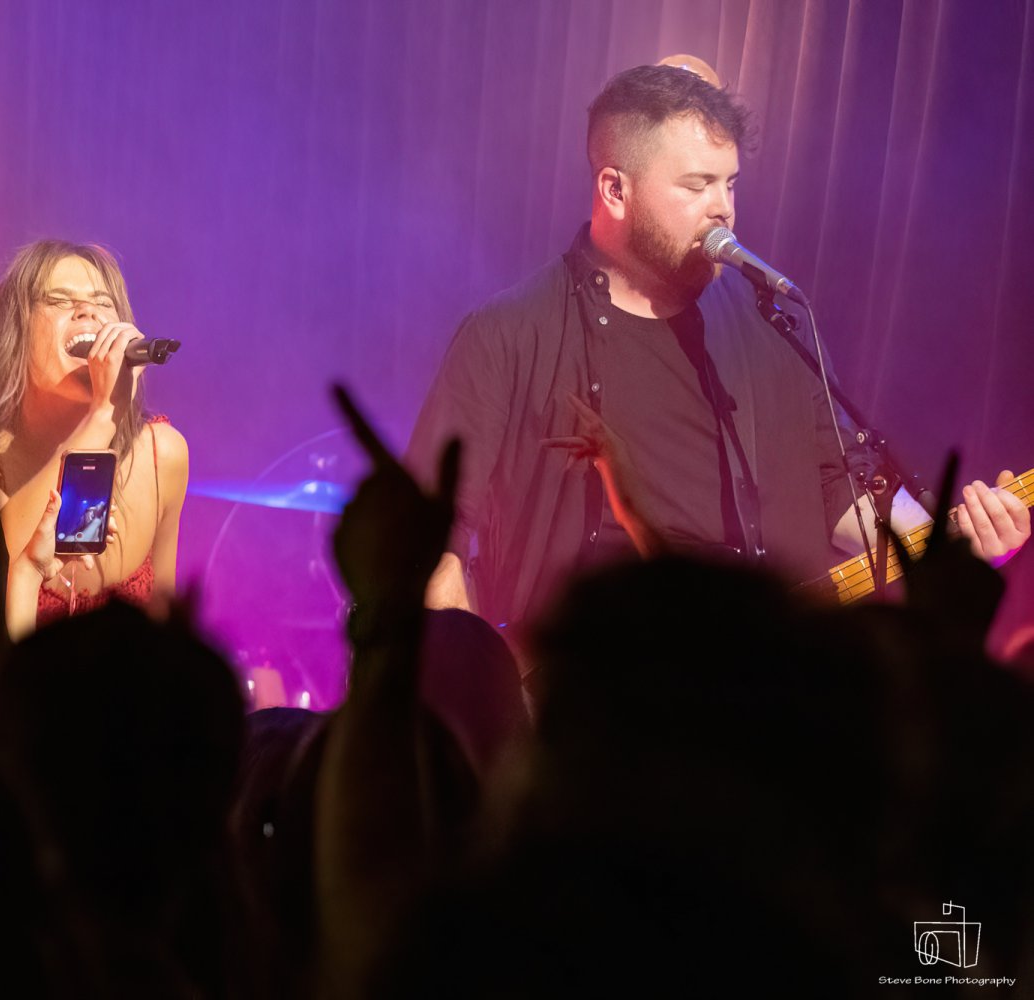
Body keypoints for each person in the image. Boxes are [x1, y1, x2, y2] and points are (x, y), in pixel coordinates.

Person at [405, 63, 1029, 650]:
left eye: (729, 183)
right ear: (615, 189)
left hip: (751, 696)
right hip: (580, 701)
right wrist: (477, 688)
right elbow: (425, 537)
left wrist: (954, 549)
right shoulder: (509, 334)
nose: (723, 207)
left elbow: (839, 491)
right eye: (696, 184)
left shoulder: (772, 326)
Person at [0, 240, 189, 638]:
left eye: (103, 303)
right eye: (59, 301)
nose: (88, 312)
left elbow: (166, 636)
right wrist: (103, 414)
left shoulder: (161, 456)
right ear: (17, 332)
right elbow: (8, 575)